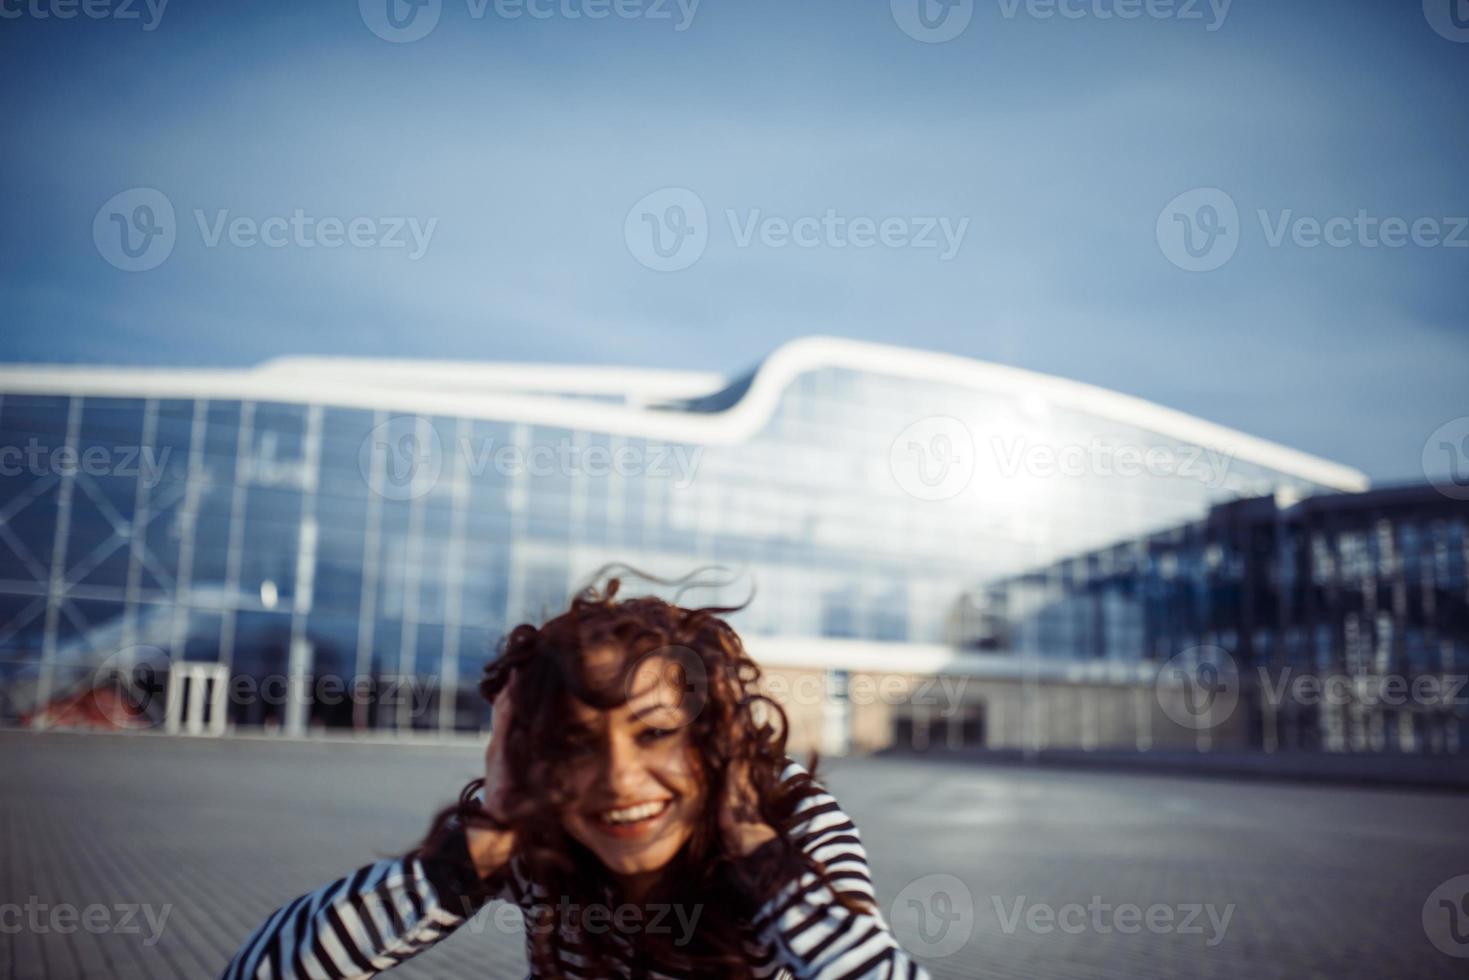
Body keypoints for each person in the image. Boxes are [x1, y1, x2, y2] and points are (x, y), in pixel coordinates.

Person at [221, 576, 929, 979]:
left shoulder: (792, 821)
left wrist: (757, 854)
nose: (619, 780)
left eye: (654, 733)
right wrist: (480, 841)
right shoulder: (541, 831)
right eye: (578, 744)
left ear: (713, 738)